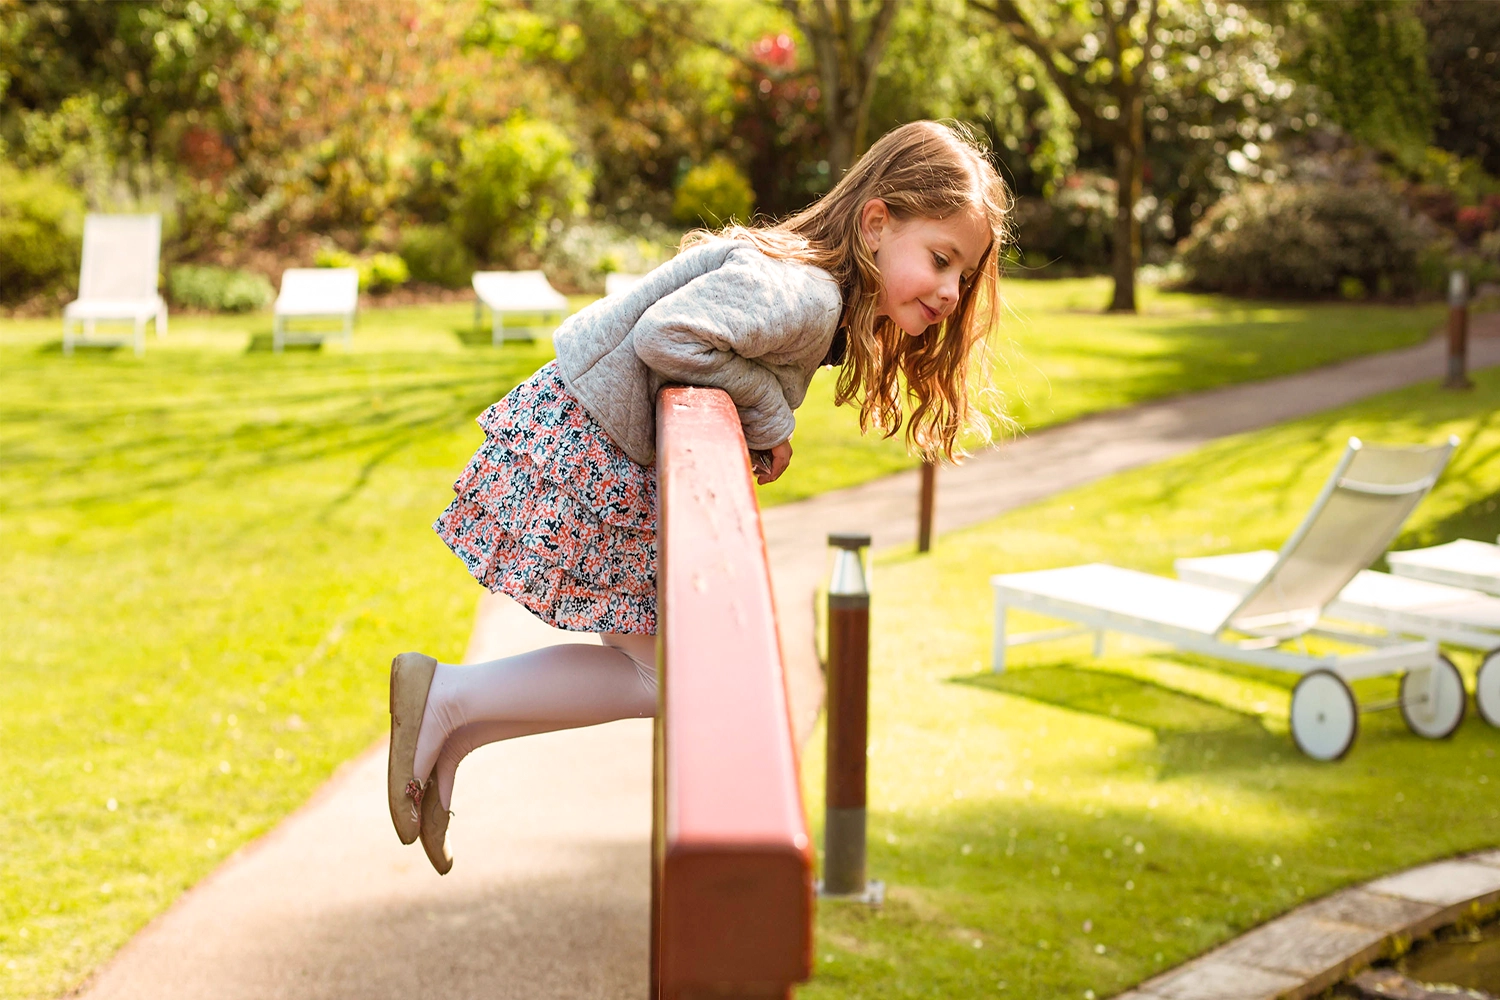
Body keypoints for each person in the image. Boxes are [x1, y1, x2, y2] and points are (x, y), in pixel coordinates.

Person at [387, 119, 1011, 874]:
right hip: (589, 448)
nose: (948, 291)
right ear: (877, 223)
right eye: (940, 260)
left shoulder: (812, 286)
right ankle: (446, 699)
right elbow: (668, 335)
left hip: (592, 439)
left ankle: (449, 737)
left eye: (963, 275)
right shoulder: (809, 295)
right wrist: (771, 416)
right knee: (665, 676)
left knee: (660, 673)